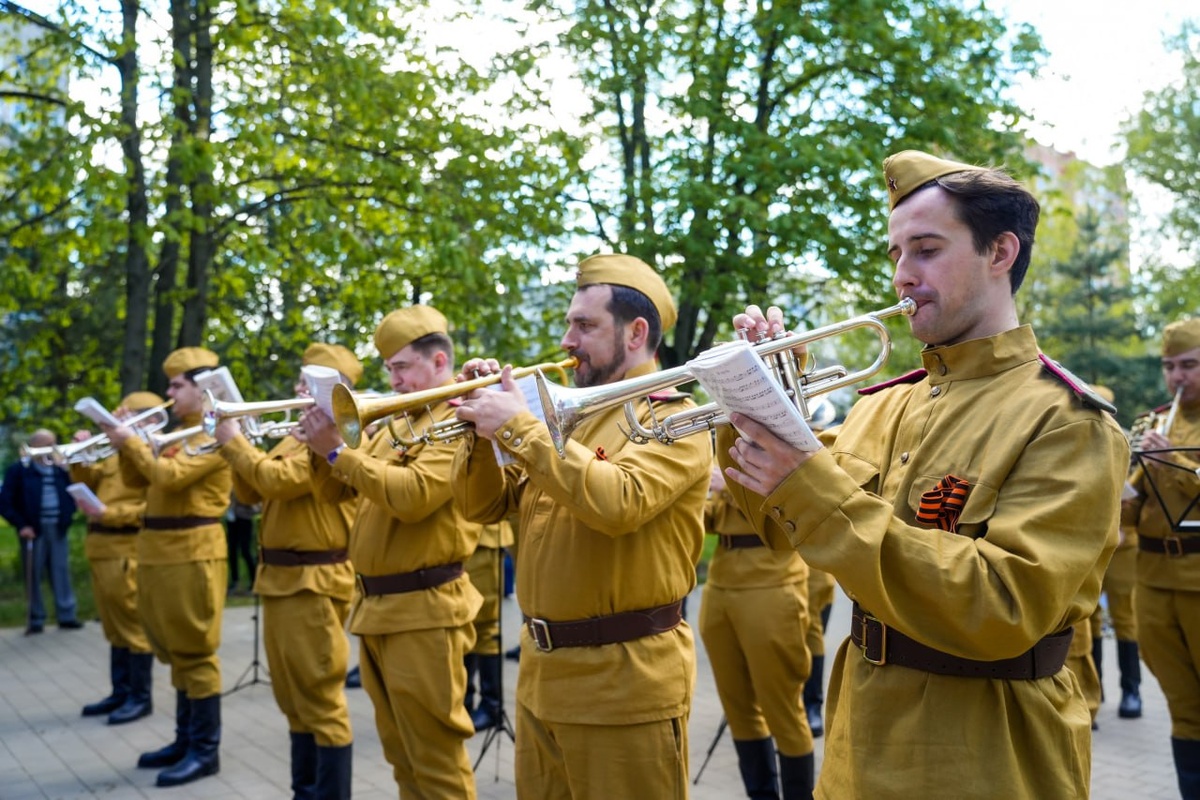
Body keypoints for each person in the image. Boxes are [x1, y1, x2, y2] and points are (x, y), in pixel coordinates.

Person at [717, 150, 1129, 798]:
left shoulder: (1068, 420)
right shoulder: (884, 403)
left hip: (986, 755)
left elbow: (1003, 605)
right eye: (895, 255)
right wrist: (757, 409)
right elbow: (777, 530)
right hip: (858, 749)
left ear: (1000, 253)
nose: (903, 276)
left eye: (927, 250)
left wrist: (811, 482)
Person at [452, 254, 712, 798]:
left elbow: (620, 502)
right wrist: (479, 434)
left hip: (624, 683)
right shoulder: (563, 417)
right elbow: (482, 507)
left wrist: (520, 427)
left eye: (585, 325)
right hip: (543, 677)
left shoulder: (672, 417)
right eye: (570, 323)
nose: (567, 340)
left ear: (636, 332)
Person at [299, 305, 484, 798]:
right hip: (378, 609)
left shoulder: (454, 418)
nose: (393, 379)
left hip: (426, 610)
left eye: (402, 367)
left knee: (437, 760)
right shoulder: (394, 423)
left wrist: (338, 451)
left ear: (440, 362)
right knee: (402, 758)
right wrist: (322, 451)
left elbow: (413, 496)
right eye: (390, 369)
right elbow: (335, 496)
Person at [213, 343, 361, 799]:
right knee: (293, 699)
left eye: (309, 383)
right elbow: (253, 493)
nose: (298, 390)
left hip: (314, 582)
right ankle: (306, 792)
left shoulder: (339, 435)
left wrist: (235, 443)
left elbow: (281, 480)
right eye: (300, 381)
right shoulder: (294, 435)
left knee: (319, 697)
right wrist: (236, 450)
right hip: (282, 580)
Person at [101, 347, 232, 788]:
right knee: (172, 649)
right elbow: (139, 480)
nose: (169, 392)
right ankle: (184, 739)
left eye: (178, 385)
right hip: (159, 550)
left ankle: (205, 750)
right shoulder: (176, 433)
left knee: (194, 650)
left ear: (203, 389)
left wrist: (131, 442)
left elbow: (170, 478)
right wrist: (122, 442)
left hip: (192, 550)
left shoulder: (215, 430)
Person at [699, 461, 814, 798]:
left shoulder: (786, 434)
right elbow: (709, 517)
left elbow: (795, 505)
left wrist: (730, 487)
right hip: (721, 581)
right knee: (738, 709)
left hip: (771, 580)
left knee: (783, 710)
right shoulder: (725, 444)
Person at [1122, 316, 1200, 797]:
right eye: (1170, 366)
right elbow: (1131, 506)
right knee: (1182, 705)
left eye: (1189, 365)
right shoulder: (1153, 421)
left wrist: (1176, 460)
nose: (1177, 377)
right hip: (1151, 578)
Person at [69, 392, 165, 725]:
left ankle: (140, 697)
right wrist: (79, 455)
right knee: (112, 624)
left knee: (133, 624)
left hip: (127, 547)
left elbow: (150, 506)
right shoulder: (115, 452)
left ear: (149, 419)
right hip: (101, 548)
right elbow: (89, 481)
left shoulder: (151, 452)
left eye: (128, 415)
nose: (119, 421)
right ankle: (120, 691)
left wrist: (110, 513)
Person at [1088, 384, 1143, 722]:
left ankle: (1132, 690)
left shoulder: (1123, 439)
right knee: (1090, 618)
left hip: (1125, 545)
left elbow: (1137, 493)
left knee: (1124, 618)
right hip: (1092, 543)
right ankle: (1096, 688)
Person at [0, 428, 82, 634]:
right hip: (33, 529)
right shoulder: (19, 470)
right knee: (33, 574)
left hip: (58, 527)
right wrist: (21, 525)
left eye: (52, 444)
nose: (50, 449)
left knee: (61, 571)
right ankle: (36, 618)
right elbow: (5, 502)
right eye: (45, 444)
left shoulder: (60, 470)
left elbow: (74, 494)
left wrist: (68, 515)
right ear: (34, 445)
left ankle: (67, 615)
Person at [464, 518, 515, 732]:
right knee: (465, 625)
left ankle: (491, 706)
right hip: (462, 539)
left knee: (484, 626)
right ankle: (463, 702)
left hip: (481, 539)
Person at [224, 495, 260, 595]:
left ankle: (254, 581)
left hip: (244, 517)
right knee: (232, 550)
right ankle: (235, 581)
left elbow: (255, 504)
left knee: (245, 550)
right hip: (231, 518)